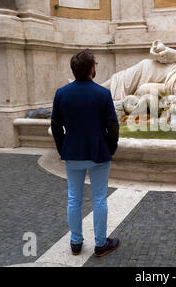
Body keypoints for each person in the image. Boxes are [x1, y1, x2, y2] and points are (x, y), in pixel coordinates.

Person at [51, 50, 120, 257]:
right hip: (99, 153)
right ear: (92, 68)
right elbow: (113, 126)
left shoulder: (61, 93)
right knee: (99, 199)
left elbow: (55, 125)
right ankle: (100, 244)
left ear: (74, 69)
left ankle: (75, 242)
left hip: (72, 152)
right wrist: (111, 147)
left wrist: (62, 147)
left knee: (74, 198)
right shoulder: (103, 93)